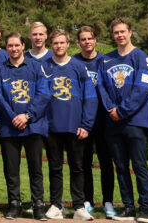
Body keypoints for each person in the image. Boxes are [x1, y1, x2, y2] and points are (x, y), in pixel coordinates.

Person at [97, 19, 148, 223]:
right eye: (116, 32)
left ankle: (145, 209)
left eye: (123, 32)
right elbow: (101, 86)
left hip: (135, 121)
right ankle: (128, 208)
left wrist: (123, 110)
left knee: (139, 165)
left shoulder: (140, 57)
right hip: (113, 122)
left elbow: (143, 88)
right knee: (120, 166)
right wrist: (112, 109)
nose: (120, 35)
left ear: (130, 32)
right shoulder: (106, 59)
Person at [0, 33, 50, 221]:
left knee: (35, 169)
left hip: (32, 126)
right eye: (10, 46)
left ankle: (38, 205)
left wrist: (27, 116)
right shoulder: (0, 70)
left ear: (23, 46)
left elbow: (44, 94)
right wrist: (13, 117)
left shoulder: (35, 67)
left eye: (17, 45)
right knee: (11, 169)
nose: (14, 49)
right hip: (10, 128)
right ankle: (14, 204)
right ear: (6, 48)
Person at [42, 30, 97, 221]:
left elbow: (91, 98)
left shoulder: (79, 67)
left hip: (75, 127)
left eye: (62, 43)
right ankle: (56, 205)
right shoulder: (44, 67)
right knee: (55, 168)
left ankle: (79, 207)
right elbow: (39, 97)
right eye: (55, 43)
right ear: (51, 45)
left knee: (77, 168)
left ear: (68, 44)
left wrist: (86, 125)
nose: (58, 46)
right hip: (51, 127)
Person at [75, 26, 117, 217]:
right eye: (83, 39)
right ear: (78, 42)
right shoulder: (74, 62)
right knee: (84, 163)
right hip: (83, 121)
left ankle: (108, 201)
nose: (87, 42)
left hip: (104, 120)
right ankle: (87, 201)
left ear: (95, 40)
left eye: (90, 38)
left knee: (106, 162)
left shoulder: (106, 61)